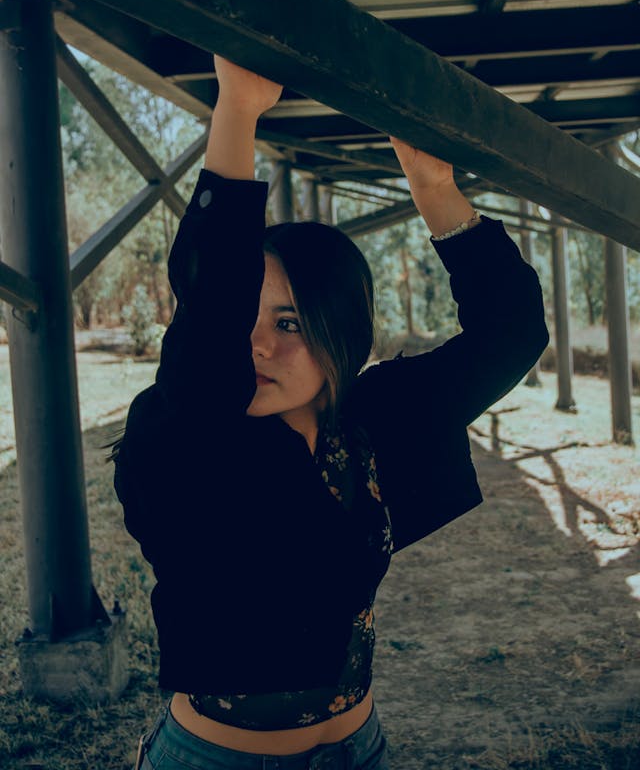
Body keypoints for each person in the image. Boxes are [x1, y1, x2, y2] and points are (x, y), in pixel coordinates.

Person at [113, 55, 549, 770]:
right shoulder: (185, 435)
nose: (255, 345)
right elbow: (207, 314)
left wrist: (434, 189)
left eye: (288, 324)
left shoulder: (369, 424)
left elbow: (511, 332)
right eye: (244, 321)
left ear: (338, 337)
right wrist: (238, 111)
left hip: (358, 748)